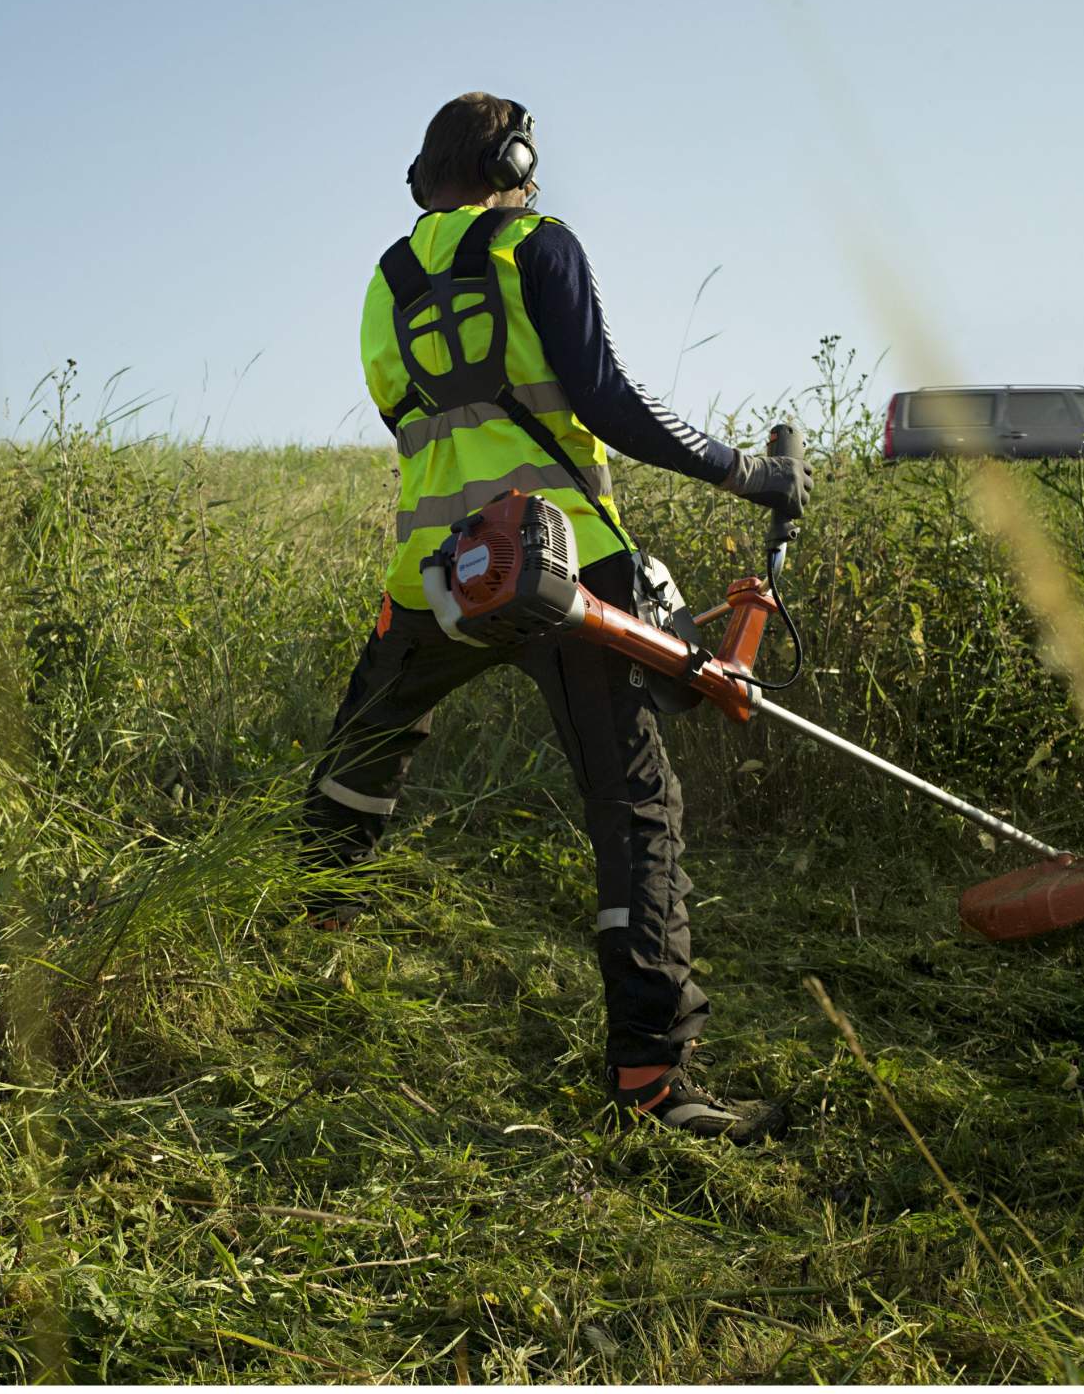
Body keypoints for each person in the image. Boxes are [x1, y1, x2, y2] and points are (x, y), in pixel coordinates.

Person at [300, 92, 812, 1145]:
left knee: (360, 757)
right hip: (565, 562)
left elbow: (409, 418)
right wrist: (750, 472)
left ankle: (302, 959)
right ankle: (650, 1083)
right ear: (513, 159)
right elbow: (608, 397)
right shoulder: (539, 242)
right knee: (630, 811)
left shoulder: (384, 282)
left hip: (434, 568)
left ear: (424, 176)